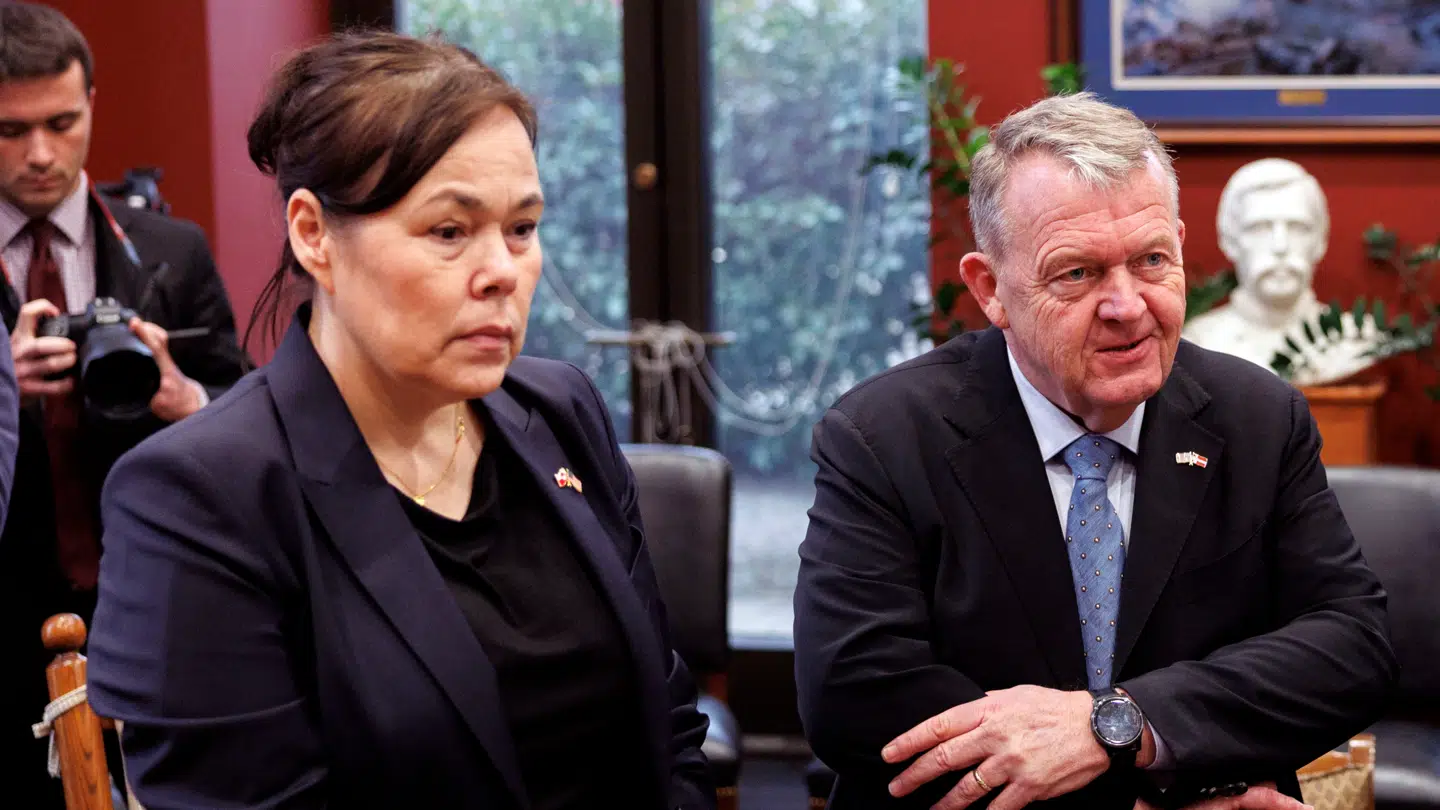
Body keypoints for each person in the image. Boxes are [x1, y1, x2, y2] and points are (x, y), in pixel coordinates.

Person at [86, 31, 715, 810]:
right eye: (449, 232)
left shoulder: (557, 410)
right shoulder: (199, 494)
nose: (503, 273)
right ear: (313, 234)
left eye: (522, 228)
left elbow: (669, 729)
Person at [793, 92, 1395, 810]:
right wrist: (1139, 801)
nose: (1127, 305)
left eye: (1150, 260)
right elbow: (855, 691)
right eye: (1076, 273)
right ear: (991, 289)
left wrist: (1123, 725)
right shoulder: (884, 435)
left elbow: (1351, 643)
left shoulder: (1258, 417)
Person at [0, 5, 248, 807]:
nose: (41, 153)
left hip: (154, 598)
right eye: (9, 130)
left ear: (93, 104)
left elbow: (254, 411)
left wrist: (185, 397)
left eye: (62, 122)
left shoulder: (173, 253)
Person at [1182, 158, 1379, 385]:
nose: (1280, 246)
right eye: (1260, 228)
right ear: (1230, 241)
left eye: (1297, 227)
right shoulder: (1199, 341)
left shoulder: (1356, 339)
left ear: (1320, 241)